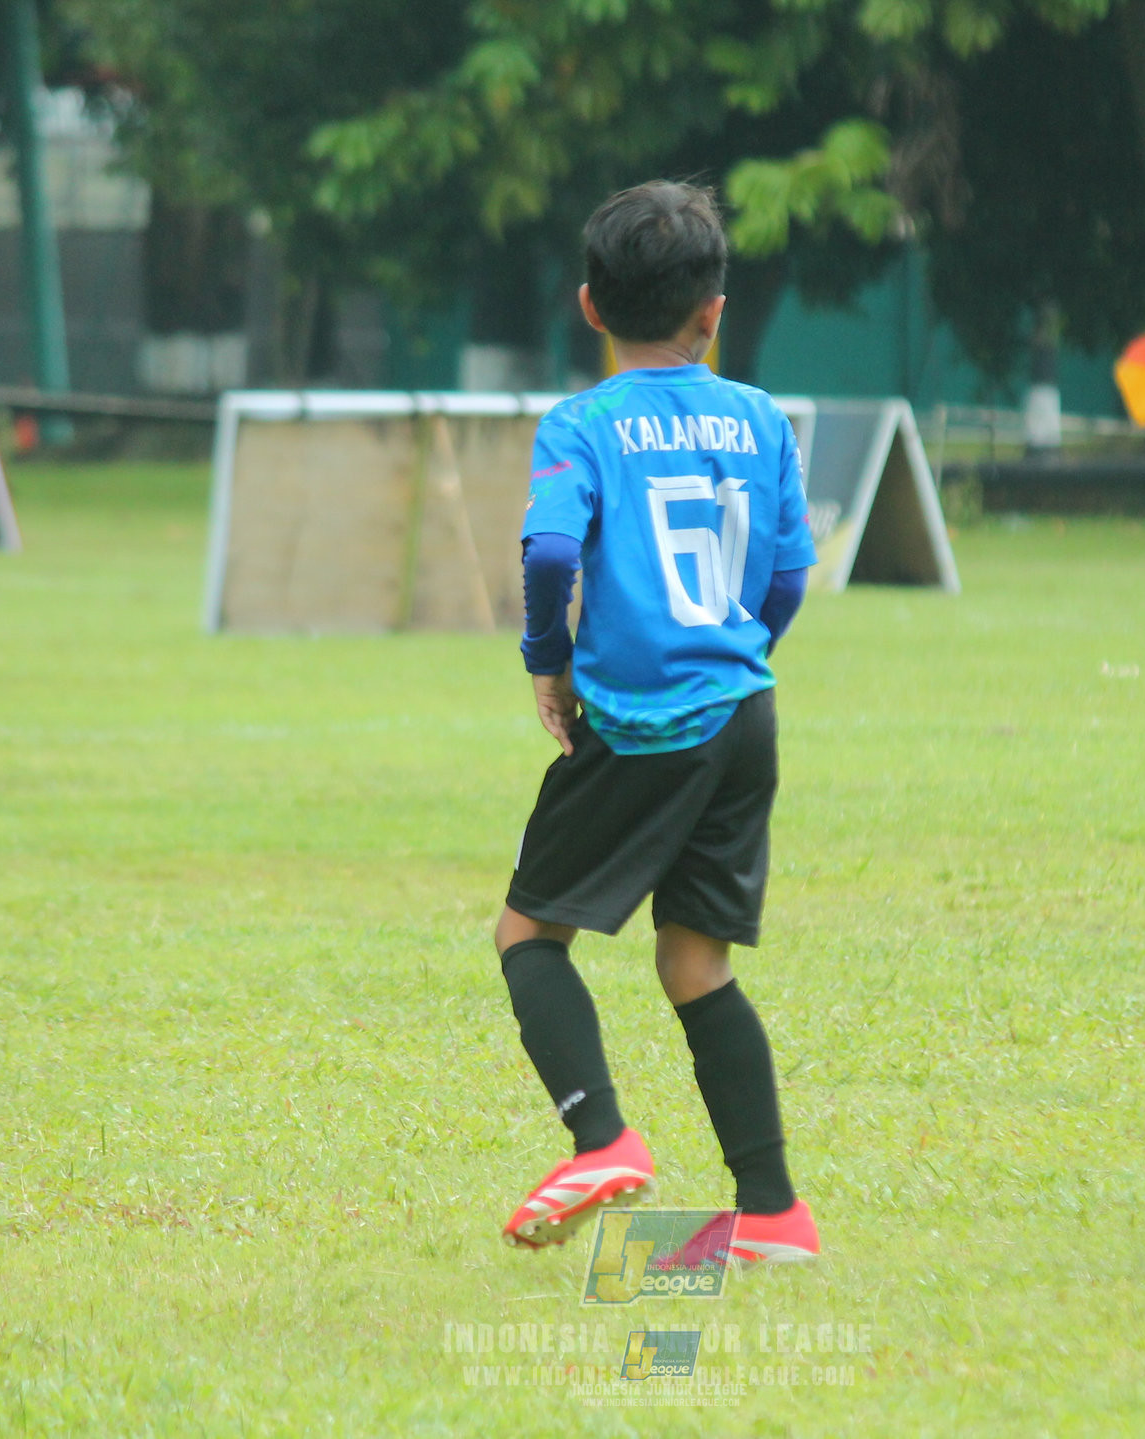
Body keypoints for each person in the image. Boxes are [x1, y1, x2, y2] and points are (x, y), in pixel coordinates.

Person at [495, 181, 820, 1267]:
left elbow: (547, 553)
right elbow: (784, 576)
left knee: (528, 932)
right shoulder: (761, 416)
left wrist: (550, 661)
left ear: (589, 307)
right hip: (743, 713)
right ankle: (771, 1211)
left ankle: (602, 1138)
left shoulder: (579, 424)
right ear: (713, 309)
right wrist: (739, 651)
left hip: (643, 724)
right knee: (693, 961)